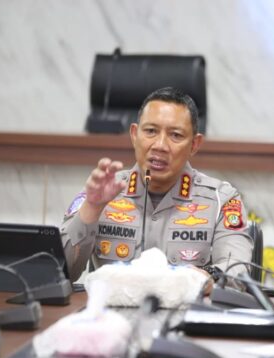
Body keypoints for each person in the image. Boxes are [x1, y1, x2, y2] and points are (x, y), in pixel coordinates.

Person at [61, 87, 253, 282]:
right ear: (134, 134)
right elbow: (60, 271)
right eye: (151, 131)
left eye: (175, 135)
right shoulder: (103, 190)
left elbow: (238, 271)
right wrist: (92, 209)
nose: (160, 145)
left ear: (194, 144)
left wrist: (206, 279)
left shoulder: (222, 199)